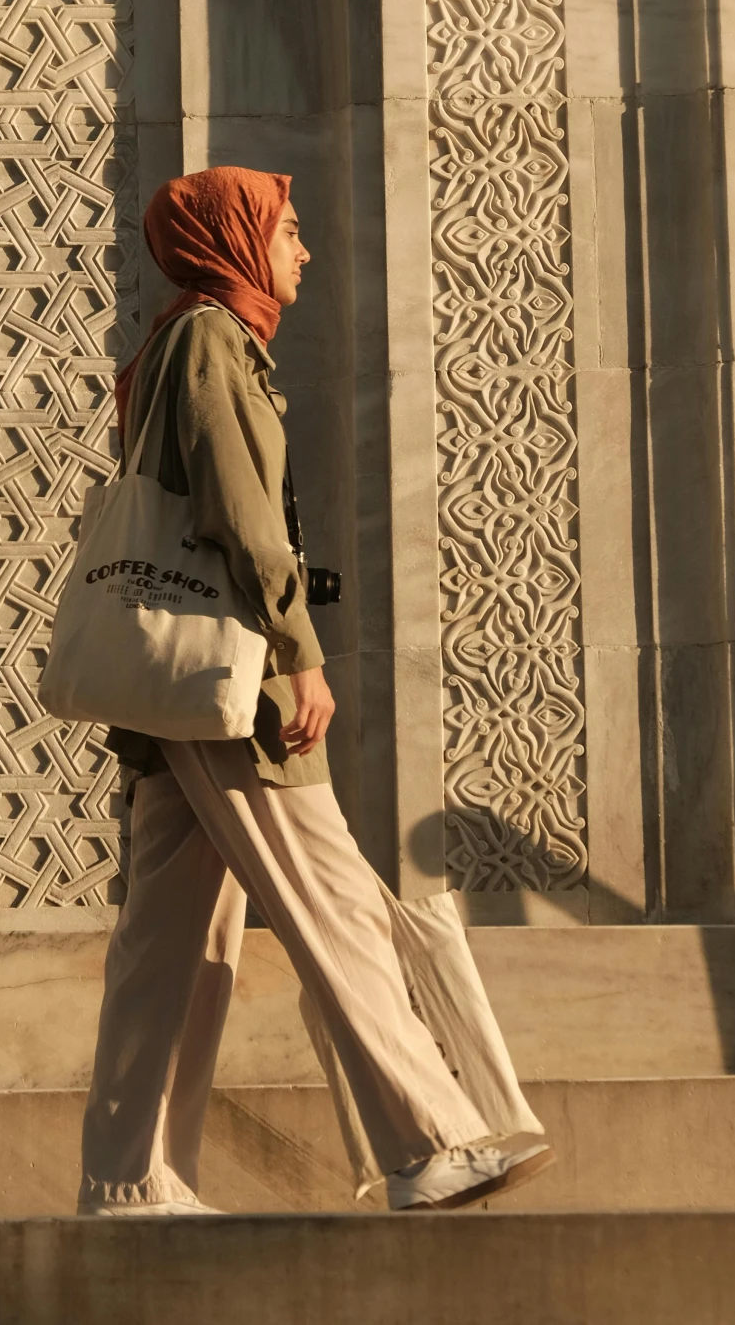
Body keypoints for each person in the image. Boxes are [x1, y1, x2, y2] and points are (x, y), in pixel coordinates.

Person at [74, 165, 552, 1217]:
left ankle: (129, 1176)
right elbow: (242, 511)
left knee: (170, 945)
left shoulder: (179, 341)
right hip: (230, 684)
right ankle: (428, 1141)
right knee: (334, 901)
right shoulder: (208, 340)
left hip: (179, 692)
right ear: (236, 239)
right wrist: (299, 648)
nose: (303, 250)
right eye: (288, 229)